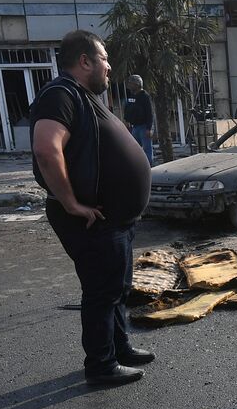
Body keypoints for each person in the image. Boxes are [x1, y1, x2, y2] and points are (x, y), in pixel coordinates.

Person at [30, 30, 154, 387]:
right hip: (93, 219)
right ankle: (100, 365)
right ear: (84, 61)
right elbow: (46, 149)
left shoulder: (82, 96)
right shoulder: (60, 94)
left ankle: (120, 347)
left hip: (115, 218)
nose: (109, 67)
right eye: (104, 59)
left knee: (116, 287)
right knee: (101, 291)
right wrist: (71, 202)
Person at [123, 73, 154, 166]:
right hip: (135, 127)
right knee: (134, 149)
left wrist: (149, 128)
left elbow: (150, 113)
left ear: (137, 84)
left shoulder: (145, 96)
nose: (129, 85)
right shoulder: (132, 96)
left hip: (144, 127)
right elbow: (128, 108)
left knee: (147, 149)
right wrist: (126, 120)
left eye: (131, 83)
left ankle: (149, 167)